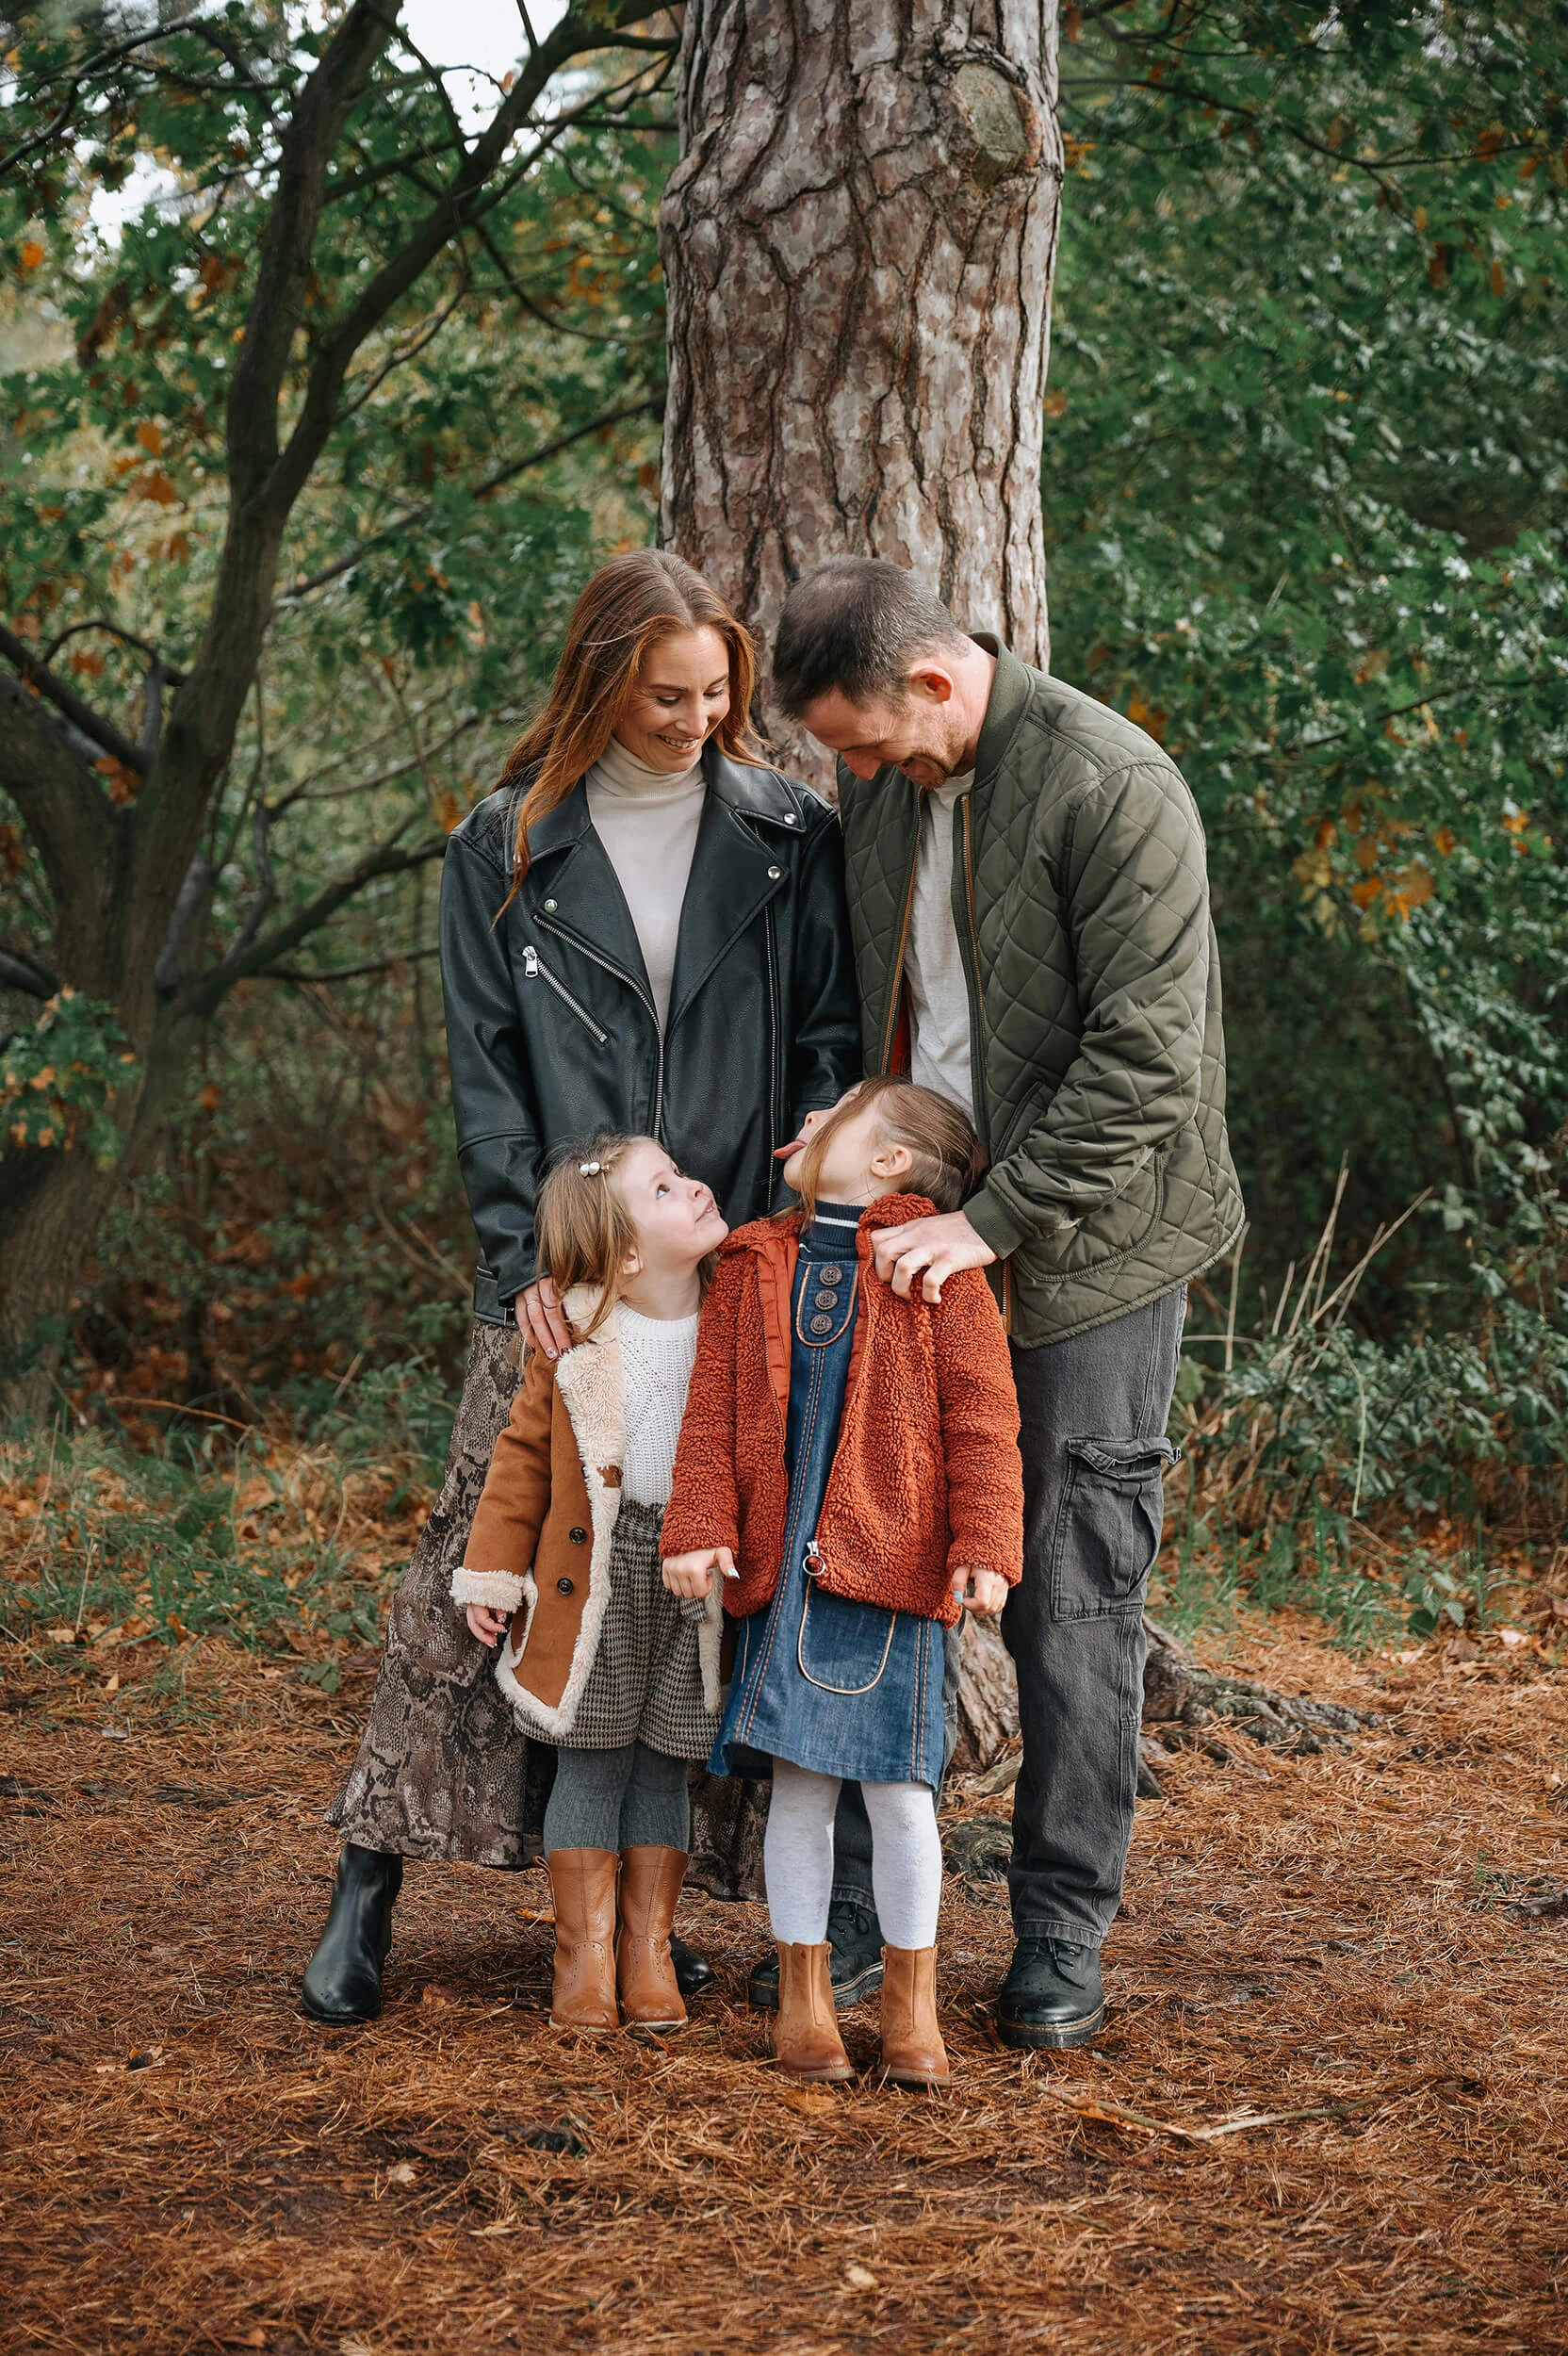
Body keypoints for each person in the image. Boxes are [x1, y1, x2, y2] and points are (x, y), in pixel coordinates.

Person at [301, 550, 858, 2024]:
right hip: (560, 1269)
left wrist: (788, 1230)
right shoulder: (506, 843)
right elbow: (484, 1081)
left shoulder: (792, 834)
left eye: (716, 694)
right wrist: (522, 1273)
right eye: (666, 695)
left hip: (724, 1262)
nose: (694, 720)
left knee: (696, 1583)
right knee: (469, 1574)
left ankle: (682, 1916)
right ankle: (372, 1874)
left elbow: (823, 1042)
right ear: (603, 680)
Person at [768, 558, 1245, 2051]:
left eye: (858, 741)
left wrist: (990, 1226)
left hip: (1087, 1248)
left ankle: (1057, 1932)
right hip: (911, 1229)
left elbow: (1148, 1067)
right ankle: (850, 1924)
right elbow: (873, 996)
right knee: (857, 1550)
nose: (848, 774)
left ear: (933, 679)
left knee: (1069, 1592)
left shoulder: (1115, 783)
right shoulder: (888, 789)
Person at [661, 1078, 1024, 2086]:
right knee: (801, 1789)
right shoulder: (749, 1261)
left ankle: (911, 2010)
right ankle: (805, 1999)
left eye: (836, 1114)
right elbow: (713, 1410)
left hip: (890, 1566)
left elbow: (981, 1418)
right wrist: (698, 1522)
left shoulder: (939, 1270)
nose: (807, 1119)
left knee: (901, 1796)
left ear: (889, 1161)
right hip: (783, 1573)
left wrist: (985, 1540)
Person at [455, 1135, 727, 2036]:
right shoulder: (578, 1334)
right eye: (663, 1187)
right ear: (626, 1256)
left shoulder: (736, 1316)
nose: (692, 1186)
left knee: (665, 1764)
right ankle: (584, 1955)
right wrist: (491, 1571)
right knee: (593, 1757)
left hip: (695, 1586)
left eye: (678, 1173)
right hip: (596, 1581)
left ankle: (650, 1950)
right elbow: (523, 1458)